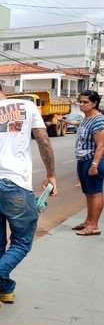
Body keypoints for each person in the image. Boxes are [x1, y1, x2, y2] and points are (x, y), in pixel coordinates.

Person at [0, 76, 57, 309]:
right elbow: (43, 140)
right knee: (23, 240)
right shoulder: (27, 106)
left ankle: (5, 289)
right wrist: (50, 174)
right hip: (15, 185)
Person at [72, 90, 104, 236]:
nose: (82, 105)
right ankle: (88, 221)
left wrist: (95, 164)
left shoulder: (98, 120)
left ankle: (94, 226)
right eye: (81, 101)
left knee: (95, 192)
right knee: (88, 193)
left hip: (92, 160)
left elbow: (101, 145)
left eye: (85, 102)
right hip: (83, 160)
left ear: (95, 103)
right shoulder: (86, 119)